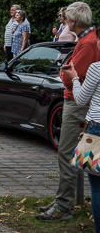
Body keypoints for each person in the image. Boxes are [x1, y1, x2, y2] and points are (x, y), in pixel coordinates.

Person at [37, 1, 99, 222]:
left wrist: (65, 74)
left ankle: (64, 205)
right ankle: (63, 200)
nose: (64, 22)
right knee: (69, 153)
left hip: (77, 103)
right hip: (77, 101)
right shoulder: (87, 39)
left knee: (66, 153)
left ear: (73, 21)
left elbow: (72, 77)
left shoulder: (88, 43)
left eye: (66, 19)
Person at [62, 48, 100, 232]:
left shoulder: (96, 68)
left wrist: (75, 78)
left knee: (98, 188)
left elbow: (81, 99)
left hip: (97, 130)